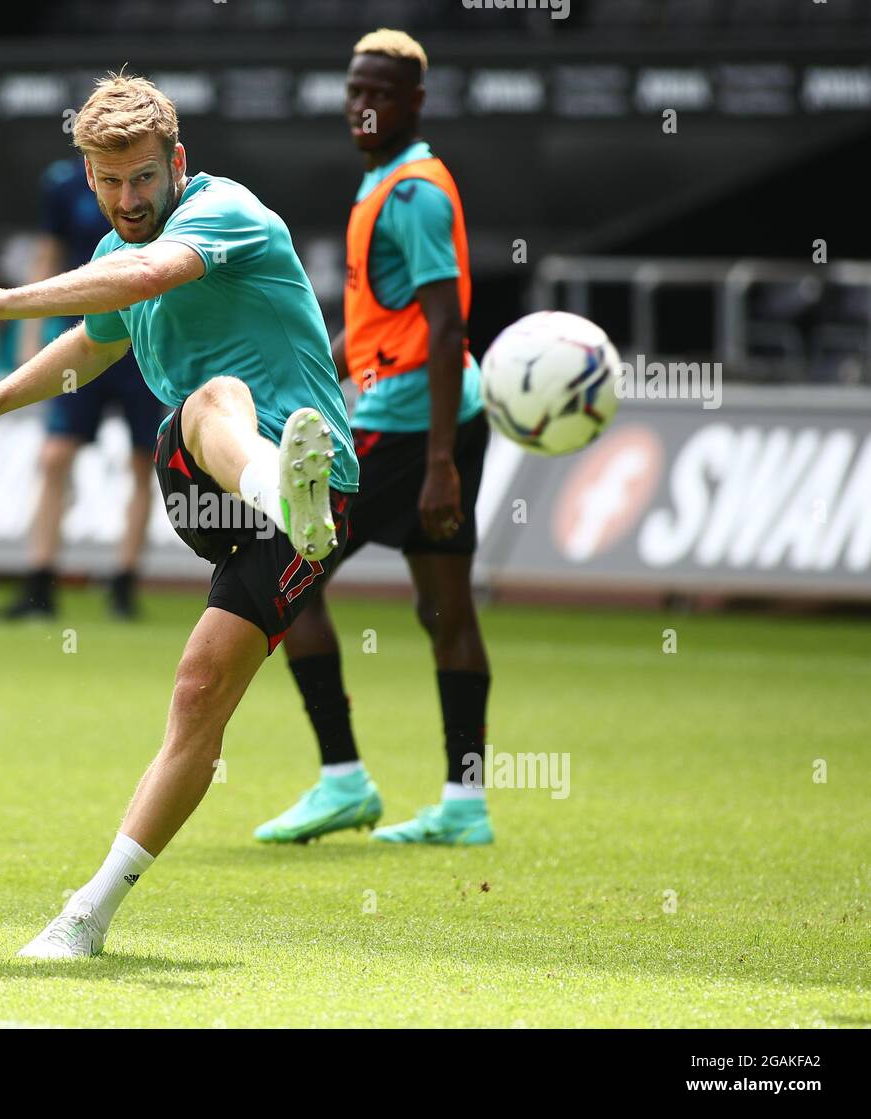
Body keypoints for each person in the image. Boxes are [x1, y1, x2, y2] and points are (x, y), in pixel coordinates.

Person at [0, 72, 360, 958]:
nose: (130, 198)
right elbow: (86, 347)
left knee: (199, 696)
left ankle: (88, 914)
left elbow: (150, 271)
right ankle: (275, 484)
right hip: (210, 487)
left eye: (145, 178)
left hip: (319, 496)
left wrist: (3, 299)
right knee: (204, 399)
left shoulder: (223, 211)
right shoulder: (121, 258)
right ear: (89, 178)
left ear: (177, 163)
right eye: (111, 181)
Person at [254, 29, 495, 847]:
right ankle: (465, 807)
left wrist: (437, 465)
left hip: (409, 429)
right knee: (443, 606)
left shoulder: (412, 194)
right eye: (356, 90)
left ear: (415, 102)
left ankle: (341, 779)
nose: (364, 105)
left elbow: (446, 321)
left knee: (288, 576)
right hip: (430, 415)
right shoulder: (387, 183)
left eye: (383, 93)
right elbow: (376, 330)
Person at [0, 157, 163, 621]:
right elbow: (48, 253)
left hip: (143, 337)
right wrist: (28, 331)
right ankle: (41, 582)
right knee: (54, 456)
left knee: (144, 461)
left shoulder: (157, 178)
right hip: (82, 336)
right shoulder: (64, 184)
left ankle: (124, 583)